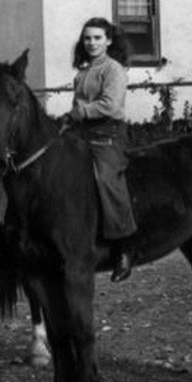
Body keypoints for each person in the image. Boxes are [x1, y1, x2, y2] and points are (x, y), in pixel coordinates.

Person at [67, 17, 137, 282]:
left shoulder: (114, 70)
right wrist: (69, 119)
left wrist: (80, 111)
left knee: (105, 179)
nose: (92, 43)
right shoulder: (84, 72)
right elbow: (78, 109)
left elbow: (110, 105)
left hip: (108, 135)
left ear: (108, 40)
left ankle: (125, 247)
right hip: (82, 135)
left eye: (97, 37)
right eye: (87, 38)